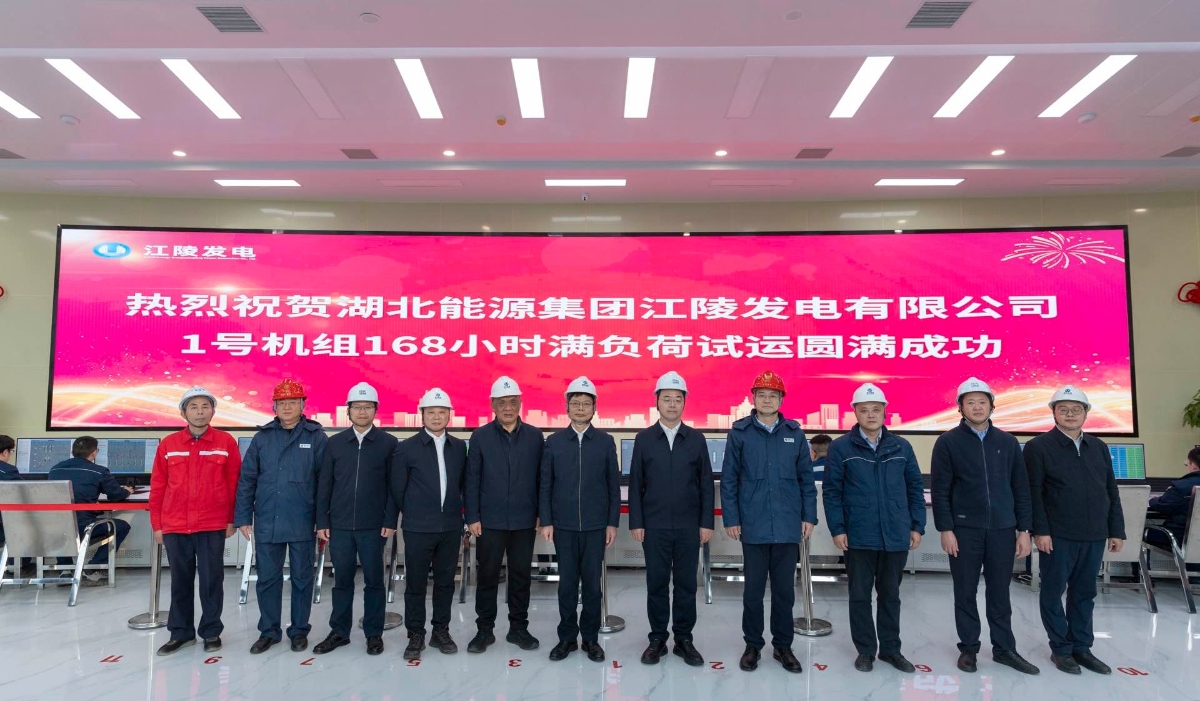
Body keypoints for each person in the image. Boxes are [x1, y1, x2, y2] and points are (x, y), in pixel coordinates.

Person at [930, 378, 1040, 675]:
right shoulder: (948, 442)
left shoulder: (1007, 442)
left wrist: (1024, 530)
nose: (977, 407)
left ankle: (1004, 649)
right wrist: (946, 529)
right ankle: (968, 649)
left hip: (1003, 529)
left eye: (982, 402)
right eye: (970, 402)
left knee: (1000, 592)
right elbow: (940, 490)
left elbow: (1021, 488)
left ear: (992, 406)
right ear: (960, 408)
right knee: (965, 591)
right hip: (964, 531)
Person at [823, 383, 925, 674]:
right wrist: (837, 528)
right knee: (859, 595)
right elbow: (832, 492)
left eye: (876, 409)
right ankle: (865, 650)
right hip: (859, 534)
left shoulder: (901, 447)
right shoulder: (841, 447)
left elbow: (914, 488)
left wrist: (917, 525)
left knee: (890, 595)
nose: (870, 414)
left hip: (895, 533)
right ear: (855, 412)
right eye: (864, 410)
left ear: (884, 412)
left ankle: (891, 650)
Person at [720, 370, 817, 674]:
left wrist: (809, 516)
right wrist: (732, 518)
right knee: (753, 592)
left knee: (785, 592)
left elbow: (806, 479)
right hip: (754, 525)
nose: (766, 400)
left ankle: (783, 646)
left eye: (772, 395)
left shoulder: (795, 434)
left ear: (781, 400)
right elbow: (729, 479)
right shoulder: (740, 433)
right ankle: (753, 645)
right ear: (753, 398)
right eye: (761, 395)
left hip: (788, 525)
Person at [1025, 385, 1125, 676]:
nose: (1070, 414)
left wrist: (1115, 530)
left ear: (1086, 413)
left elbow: (1110, 490)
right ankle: (1061, 648)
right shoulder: (1038, 447)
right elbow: (1034, 493)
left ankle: (1082, 647)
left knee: (1084, 593)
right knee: (1053, 592)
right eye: (1064, 409)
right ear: (1054, 413)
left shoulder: (1099, 447)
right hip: (1057, 536)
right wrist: (1040, 531)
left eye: (1076, 409)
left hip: (1094, 534)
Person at [234, 379, 328, 655]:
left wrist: (322, 521)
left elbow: (325, 483)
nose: (287, 407)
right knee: (267, 579)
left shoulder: (316, 437)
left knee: (302, 578)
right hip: (267, 519)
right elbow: (247, 480)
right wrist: (243, 517)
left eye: (293, 402)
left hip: (303, 520)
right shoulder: (262, 438)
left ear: (303, 405)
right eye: (282, 403)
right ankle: (269, 632)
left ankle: (299, 631)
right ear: (274, 406)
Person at [628, 371, 714, 667]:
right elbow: (636, 483)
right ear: (657, 402)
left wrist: (706, 522)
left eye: (678, 399)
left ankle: (684, 639)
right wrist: (637, 522)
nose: (672, 404)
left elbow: (705, 484)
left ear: (684, 403)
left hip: (689, 526)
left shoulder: (696, 439)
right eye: (667, 399)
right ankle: (657, 639)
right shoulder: (644, 439)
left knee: (687, 585)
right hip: (655, 526)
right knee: (657, 583)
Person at [151, 387, 243, 656]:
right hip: (175, 524)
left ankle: (211, 631)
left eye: (205, 406)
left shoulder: (226, 442)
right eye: (193, 407)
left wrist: (231, 520)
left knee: (211, 581)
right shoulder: (168, 444)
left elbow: (234, 484)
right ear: (183, 413)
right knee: (180, 581)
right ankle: (181, 633)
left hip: (212, 524)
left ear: (213, 411)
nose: (200, 412)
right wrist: (157, 525)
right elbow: (158, 487)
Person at [313, 383, 400, 657]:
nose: (362, 411)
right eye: (357, 407)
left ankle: (374, 633)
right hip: (339, 526)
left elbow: (394, 487)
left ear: (376, 410)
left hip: (374, 526)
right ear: (348, 411)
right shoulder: (335, 443)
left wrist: (390, 519)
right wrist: (322, 521)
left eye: (368, 407)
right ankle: (339, 632)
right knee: (342, 581)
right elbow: (324, 485)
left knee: (374, 581)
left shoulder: (388, 443)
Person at [539, 376, 620, 663]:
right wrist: (546, 520)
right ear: (567, 407)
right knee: (567, 585)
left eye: (586, 403)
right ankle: (566, 638)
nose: (581, 408)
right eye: (576, 403)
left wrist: (612, 522)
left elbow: (613, 486)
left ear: (595, 408)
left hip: (596, 526)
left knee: (593, 586)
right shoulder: (554, 442)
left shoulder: (605, 442)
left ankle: (590, 639)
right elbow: (546, 484)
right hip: (563, 526)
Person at [465, 376, 544, 654]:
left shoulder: (535, 436)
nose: (507, 408)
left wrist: (542, 514)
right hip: (490, 521)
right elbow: (472, 479)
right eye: (501, 403)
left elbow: (542, 479)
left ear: (520, 403)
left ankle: (518, 628)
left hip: (524, 520)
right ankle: (484, 631)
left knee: (521, 576)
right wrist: (472, 516)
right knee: (487, 576)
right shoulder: (480, 436)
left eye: (512, 402)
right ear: (492, 405)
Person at [392, 388, 467, 661]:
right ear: (421, 415)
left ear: (449, 415)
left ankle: (440, 632)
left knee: (446, 583)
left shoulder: (459, 447)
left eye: (441, 412)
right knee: (416, 584)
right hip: (418, 528)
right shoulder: (406, 448)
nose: (436, 417)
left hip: (450, 528)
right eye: (431, 412)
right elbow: (397, 490)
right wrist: (415, 513)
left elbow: (463, 485)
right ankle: (415, 634)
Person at [47, 435, 133, 586]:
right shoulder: (99, 471)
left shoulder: (55, 469)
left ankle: (65, 568)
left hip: (55, 528)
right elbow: (116, 495)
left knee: (63, 523)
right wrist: (127, 491)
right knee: (122, 526)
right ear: (94, 453)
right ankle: (94, 567)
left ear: (73, 451)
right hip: (84, 527)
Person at [1146, 447, 1200, 551]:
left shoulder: (1181, 487)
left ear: (1193, 465)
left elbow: (1162, 505)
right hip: (1195, 543)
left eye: (1187, 464)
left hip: (1178, 538)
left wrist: (1152, 500)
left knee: (1138, 532)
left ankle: (1136, 563)